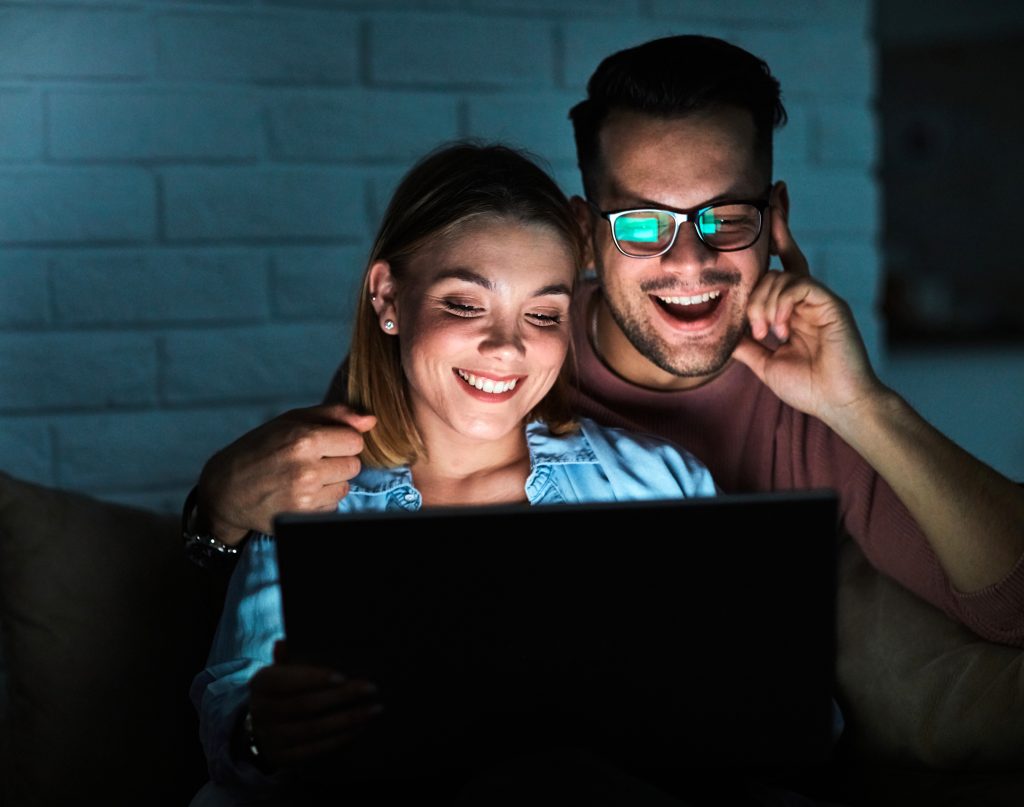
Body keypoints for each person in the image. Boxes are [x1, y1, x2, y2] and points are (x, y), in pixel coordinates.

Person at [182, 35, 1024, 648]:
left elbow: (1008, 609)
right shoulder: (456, 365)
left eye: (725, 217)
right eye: (642, 221)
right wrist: (215, 510)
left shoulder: (803, 404)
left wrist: (861, 403)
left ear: (774, 221)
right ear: (586, 233)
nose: (687, 258)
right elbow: (286, 596)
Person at [188, 142, 721, 805]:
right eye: (466, 305)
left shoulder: (660, 484)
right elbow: (231, 725)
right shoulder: (312, 497)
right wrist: (264, 732)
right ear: (388, 297)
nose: (507, 346)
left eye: (543, 313)